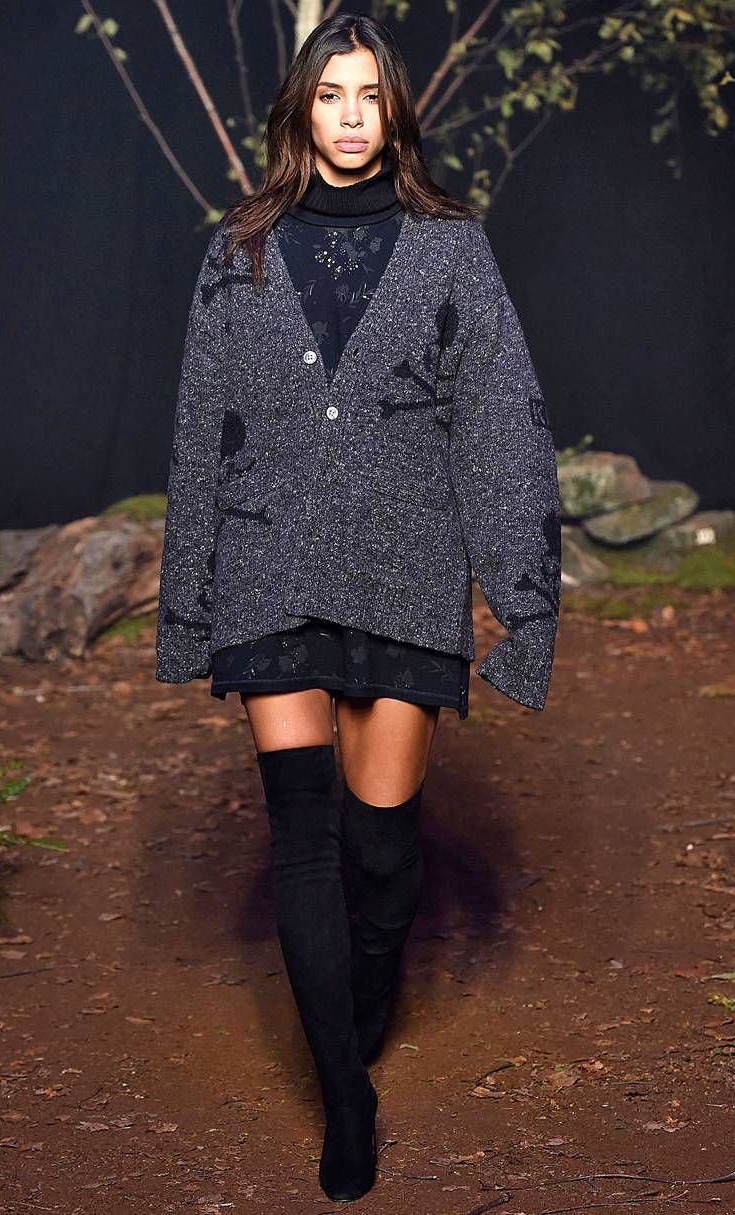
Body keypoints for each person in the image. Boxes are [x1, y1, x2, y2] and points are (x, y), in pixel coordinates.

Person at [155, 12, 562, 1203]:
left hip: (404, 564)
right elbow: (200, 423)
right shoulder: (242, 247)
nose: (347, 116)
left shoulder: (451, 248)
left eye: (367, 95)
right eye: (328, 94)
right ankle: (346, 1095)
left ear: (393, 111)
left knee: (383, 853)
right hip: (269, 563)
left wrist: (521, 601)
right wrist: (190, 602)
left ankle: (369, 994)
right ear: (301, 109)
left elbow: (499, 425)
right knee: (303, 836)